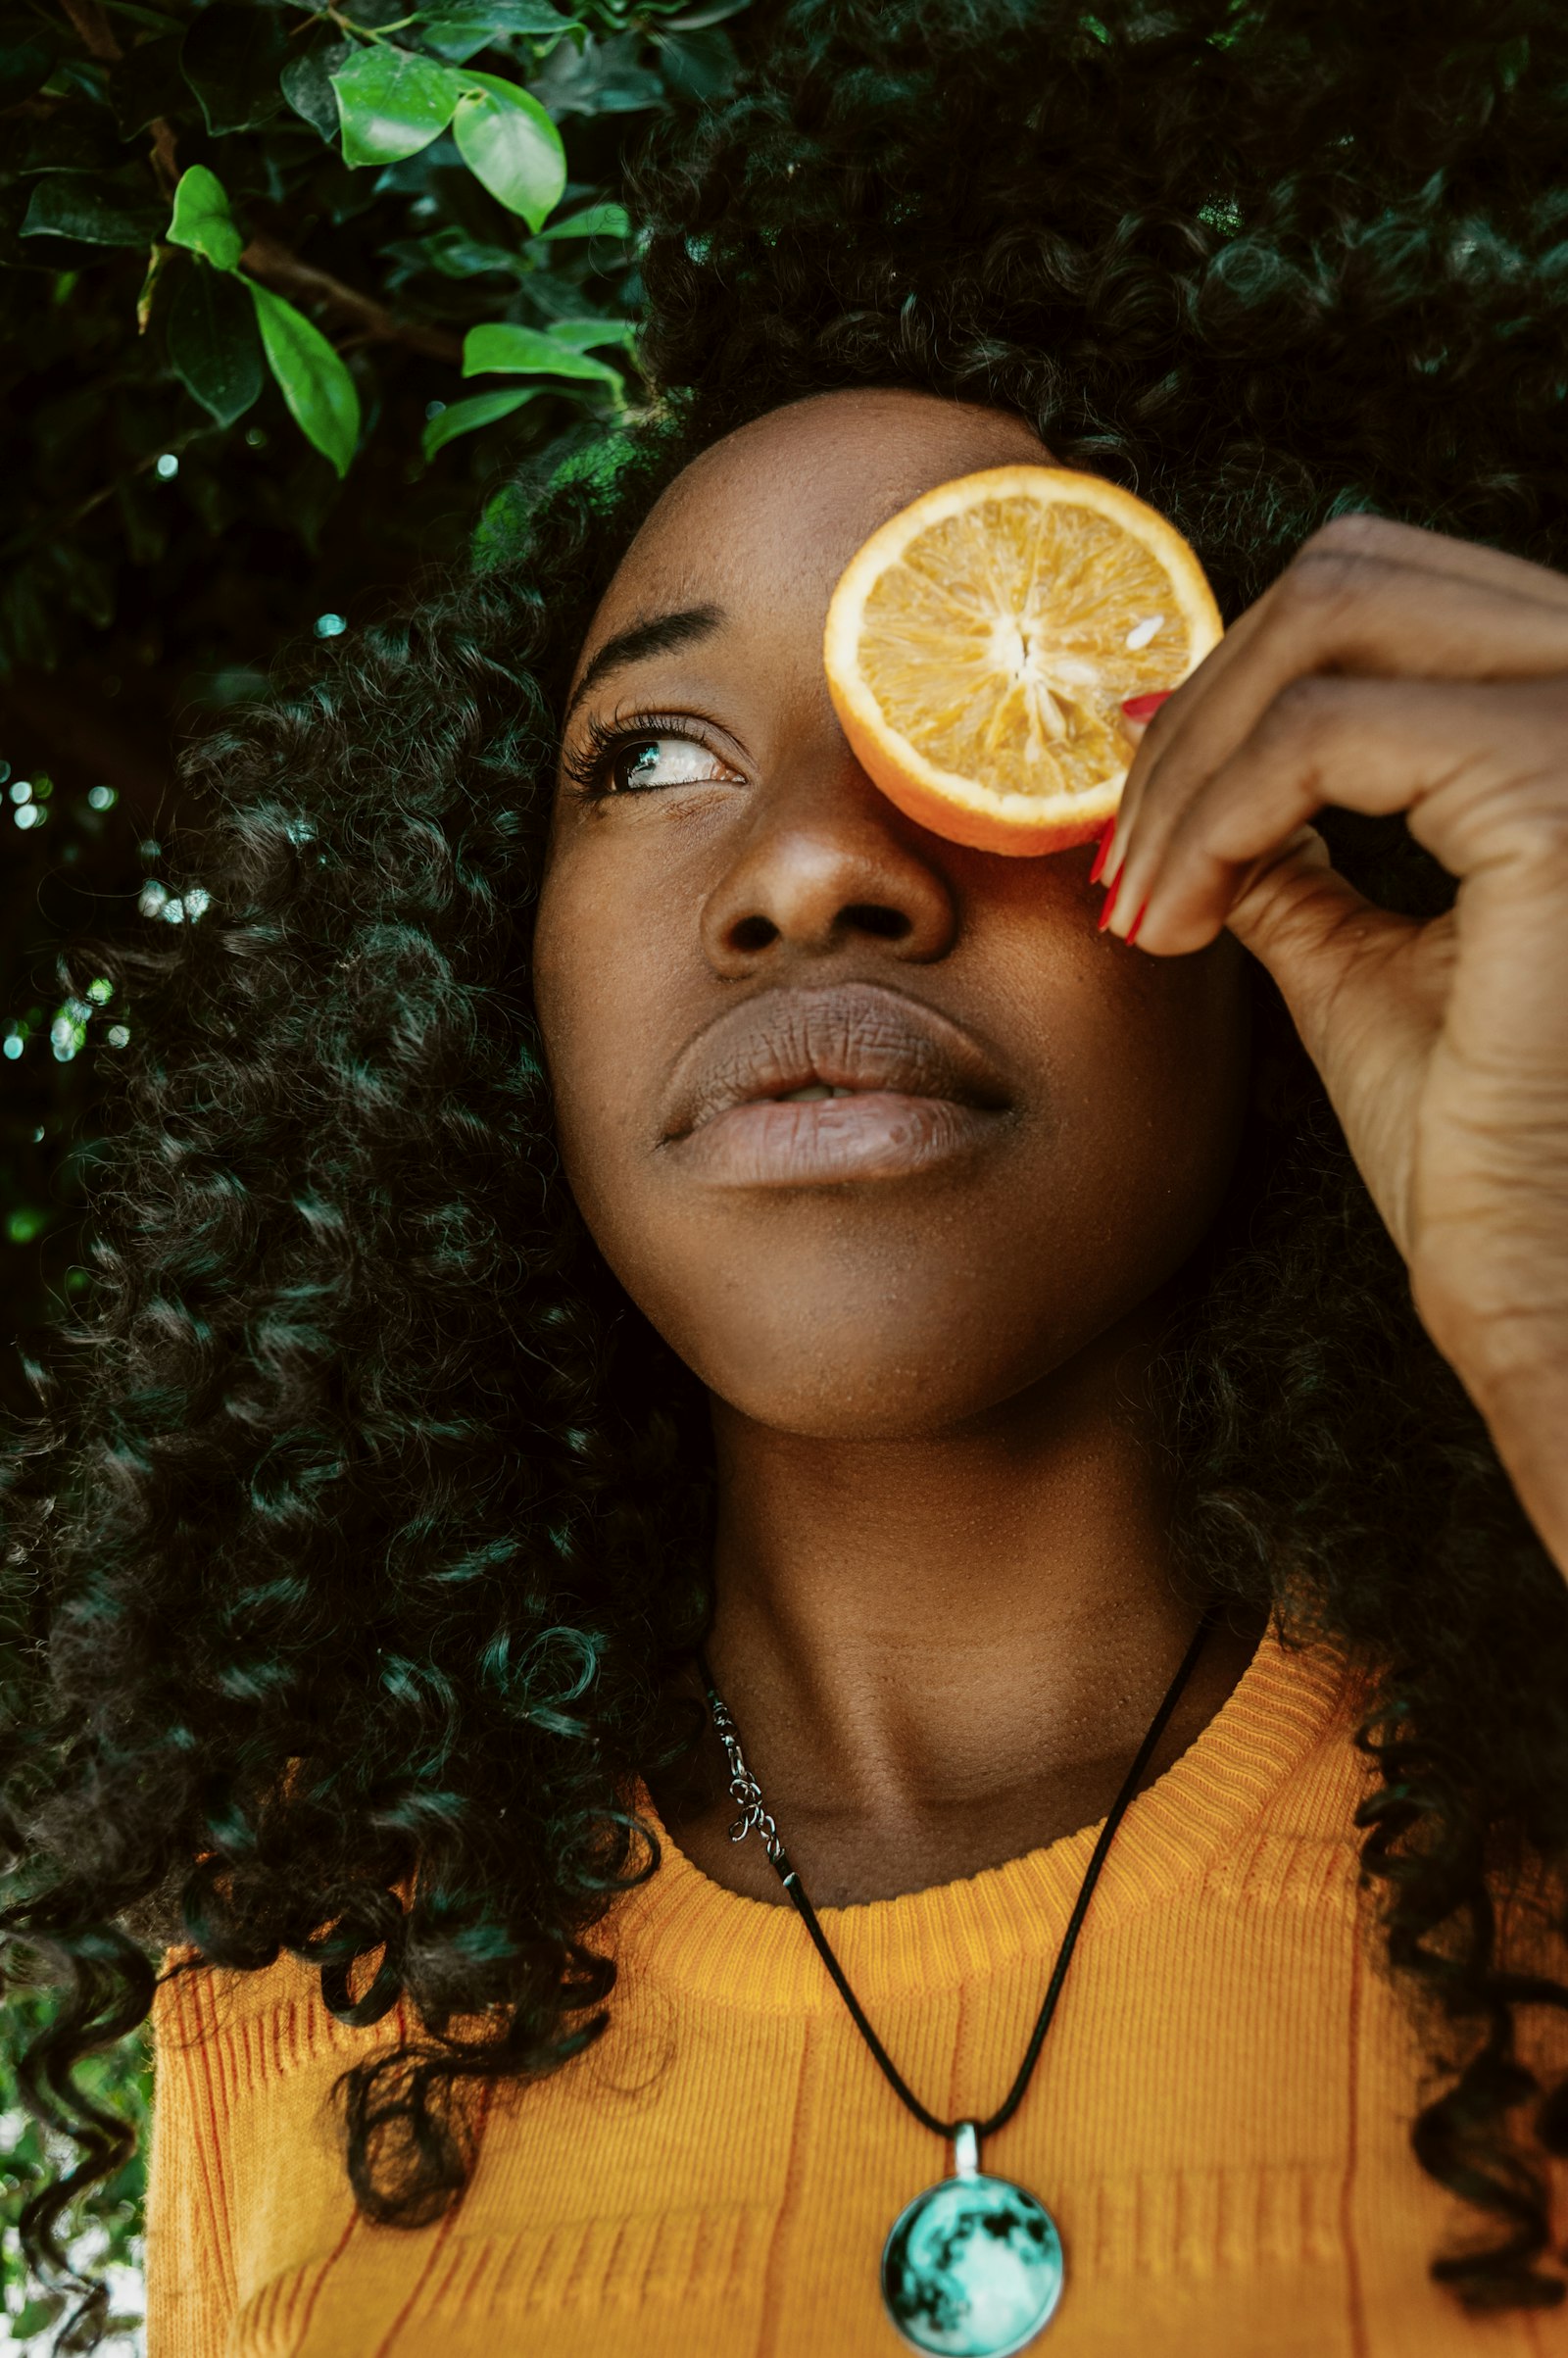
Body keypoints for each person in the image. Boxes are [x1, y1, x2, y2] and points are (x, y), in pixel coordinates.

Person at [5, 1, 1568, 2351]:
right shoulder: (291, 2012)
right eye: (651, 752)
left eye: (1027, 711)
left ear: (1292, 866)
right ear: (483, 997)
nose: (813, 869)